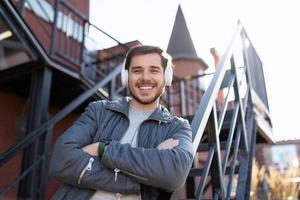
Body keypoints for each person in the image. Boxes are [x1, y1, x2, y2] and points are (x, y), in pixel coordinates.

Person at [49, 45, 193, 200]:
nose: (145, 77)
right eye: (137, 70)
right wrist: (137, 183)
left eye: (154, 70)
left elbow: (174, 175)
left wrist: (103, 148)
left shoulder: (177, 127)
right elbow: (62, 160)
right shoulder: (99, 111)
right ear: (126, 76)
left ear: (167, 77)